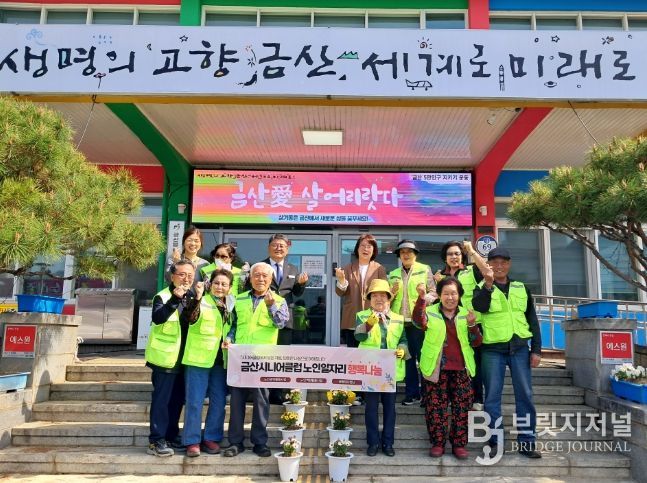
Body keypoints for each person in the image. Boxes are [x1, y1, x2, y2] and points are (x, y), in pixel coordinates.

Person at [472, 247, 542, 458]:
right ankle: (496, 441)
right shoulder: (481, 288)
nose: (499, 266)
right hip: (492, 350)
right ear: (489, 265)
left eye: (503, 262)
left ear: (509, 264)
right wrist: (488, 284)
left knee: (525, 395)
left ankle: (527, 442)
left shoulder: (521, 288)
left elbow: (532, 319)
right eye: (495, 262)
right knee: (492, 397)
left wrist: (536, 349)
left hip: (520, 348)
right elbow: (479, 307)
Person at [223, 262, 289, 458]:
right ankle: (235, 442)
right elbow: (233, 325)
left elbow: (281, 323)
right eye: (257, 275)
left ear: (271, 279)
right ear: (250, 278)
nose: (260, 279)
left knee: (261, 402)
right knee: (237, 402)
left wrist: (271, 306)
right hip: (240, 359)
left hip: (263, 360)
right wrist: (229, 338)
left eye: (264, 276)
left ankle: (260, 442)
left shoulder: (279, 300)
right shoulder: (239, 298)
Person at [413, 277, 482, 460]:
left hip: (461, 368)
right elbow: (418, 323)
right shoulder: (429, 311)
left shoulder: (467, 314)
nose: (450, 297)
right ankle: (438, 443)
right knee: (436, 408)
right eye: (446, 293)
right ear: (439, 295)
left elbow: (477, 342)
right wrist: (421, 299)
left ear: (459, 295)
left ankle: (459, 444)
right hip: (436, 367)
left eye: (453, 293)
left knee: (462, 408)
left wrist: (472, 326)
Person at [145, 260, 202, 457]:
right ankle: (156, 440)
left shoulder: (193, 296)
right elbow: (158, 318)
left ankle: (170, 435)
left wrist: (197, 299)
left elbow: (192, 321)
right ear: (172, 276)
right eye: (182, 274)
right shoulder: (162, 296)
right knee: (162, 400)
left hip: (186, 358)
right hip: (165, 358)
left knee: (177, 400)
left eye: (190, 275)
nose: (186, 279)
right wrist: (174, 299)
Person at [182, 268, 236, 458]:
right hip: (198, 359)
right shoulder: (201, 300)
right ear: (209, 284)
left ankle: (212, 437)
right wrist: (197, 297)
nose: (220, 287)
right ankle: (192, 441)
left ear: (230, 288)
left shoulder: (230, 306)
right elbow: (190, 316)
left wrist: (229, 337)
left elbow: (233, 327)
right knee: (195, 402)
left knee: (219, 401)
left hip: (221, 361)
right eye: (216, 283)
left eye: (224, 284)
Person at [354, 278, 408, 457]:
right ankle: (373, 443)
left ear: (389, 299)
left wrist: (402, 349)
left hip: (390, 370)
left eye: (383, 296)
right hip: (371, 369)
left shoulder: (398, 318)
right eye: (374, 296)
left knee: (390, 409)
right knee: (370, 408)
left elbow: (403, 340)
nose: (379, 299)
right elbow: (359, 337)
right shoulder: (362, 316)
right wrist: (369, 324)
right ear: (369, 299)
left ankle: (388, 443)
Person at [253, 234, 308, 404]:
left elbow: (297, 294)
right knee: (264, 356)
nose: (278, 248)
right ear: (269, 247)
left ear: (287, 249)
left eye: (282, 246)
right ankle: (258, 391)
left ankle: (276, 392)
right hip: (263, 316)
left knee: (280, 358)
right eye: (275, 245)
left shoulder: (293, 269)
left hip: (284, 319)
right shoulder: (260, 266)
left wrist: (301, 284)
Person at [435, 240, 490, 409]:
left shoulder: (471, 271)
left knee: (474, 362)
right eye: (450, 254)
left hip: (471, 324)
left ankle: (477, 398)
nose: (454, 257)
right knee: (451, 361)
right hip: (448, 326)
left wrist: (471, 251)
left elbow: (487, 272)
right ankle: (452, 397)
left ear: (462, 256)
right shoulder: (440, 276)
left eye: (457, 253)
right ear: (445, 257)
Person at [388, 239, 436, 406]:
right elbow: (387, 300)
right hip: (400, 324)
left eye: (409, 252)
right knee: (407, 359)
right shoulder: (393, 274)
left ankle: (427, 395)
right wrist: (392, 293)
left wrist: (423, 298)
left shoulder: (424, 269)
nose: (406, 254)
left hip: (418, 323)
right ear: (399, 256)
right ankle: (412, 394)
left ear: (415, 254)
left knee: (423, 359)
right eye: (402, 252)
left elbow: (434, 293)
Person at [335, 234, 387, 348]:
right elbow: (340, 293)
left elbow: (385, 292)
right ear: (357, 249)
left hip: (373, 317)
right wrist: (342, 281)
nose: (365, 249)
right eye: (362, 246)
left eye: (369, 246)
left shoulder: (379, 268)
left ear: (374, 250)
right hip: (352, 317)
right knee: (353, 353)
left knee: (372, 351)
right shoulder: (347, 268)